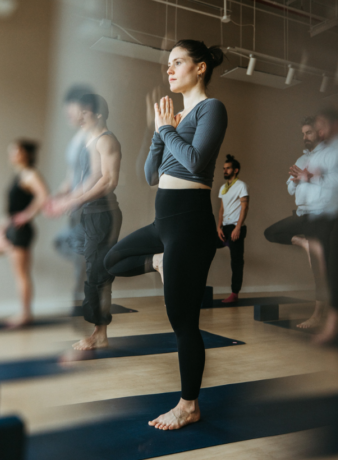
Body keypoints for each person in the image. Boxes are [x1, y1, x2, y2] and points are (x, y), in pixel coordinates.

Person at [104, 39, 227, 430]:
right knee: (112, 261)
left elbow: (195, 160)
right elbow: (149, 175)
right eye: (168, 64)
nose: (169, 69)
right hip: (164, 222)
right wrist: (160, 133)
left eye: (178, 62)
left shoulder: (212, 109)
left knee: (183, 322)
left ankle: (189, 405)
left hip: (191, 225)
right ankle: (157, 261)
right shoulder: (177, 117)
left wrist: (165, 130)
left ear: (201, 67)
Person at [45, 94, 122, 350]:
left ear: (98, 114)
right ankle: (97, 324)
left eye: (85, 114)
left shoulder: (107, 140)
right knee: (88, 264)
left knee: (97, 273)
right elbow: (80, 180)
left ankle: (100, 333)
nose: (79, 118)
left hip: (102, 214)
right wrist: (62, 198)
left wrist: (75, 201)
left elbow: (109, 181)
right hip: (87, 214)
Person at [264, 117, 327, 329]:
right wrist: (295, 179)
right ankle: (305, 244)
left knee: (318, 269)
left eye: (308, 133)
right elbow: (290, 188)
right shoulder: (301, 159)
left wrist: (307, 177)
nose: (305, 138)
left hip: (320, 215)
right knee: (271, 232)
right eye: (303, 134)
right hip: (301, 214)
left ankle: (318, 316)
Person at [0, 140, 48, 327]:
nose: (11, 155)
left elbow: (43, 195)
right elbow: (10, 210)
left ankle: (25, 314)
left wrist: (27, 215)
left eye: (15, 151)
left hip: (21, 231)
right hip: (12, 228)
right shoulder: (18, 175)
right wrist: (0, 228)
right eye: (10, 151)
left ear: (25, 154)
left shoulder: (30, 174)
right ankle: (24, 313)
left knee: (21, 274)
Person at [300, 108, 338, 343]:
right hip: (315, 217)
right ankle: (313, 246)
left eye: (322, 126)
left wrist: (313, 178)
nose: (319, 131)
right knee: (327, 269)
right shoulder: (320, 152)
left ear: (334, 125)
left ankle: (331, 325)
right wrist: (303, 179)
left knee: (332, 271)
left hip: (333, 216)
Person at [52, 85, 92, 316]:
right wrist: (57, 196)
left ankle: (82, 304)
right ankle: (79, 302)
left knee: (82, 258)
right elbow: (71, 177)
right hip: (75, 209)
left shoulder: (92, 138)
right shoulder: (75, 139)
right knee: (78, 256)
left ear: (86, 107)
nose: (67, 111)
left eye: (72, 105)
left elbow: (93, 179)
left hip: (88, 208)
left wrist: (70, 202)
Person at [216, 154, 249, 304]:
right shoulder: (223, 187)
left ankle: (234, 293)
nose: (225, 171)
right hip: (224, 228)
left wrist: (238, 228)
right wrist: (218, 226)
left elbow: (244, 207)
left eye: (228, 168)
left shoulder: (241, 185)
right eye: (224, 168)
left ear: (235, 170)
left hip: (236, 228)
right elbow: (221, 209)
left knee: (236, 261)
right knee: (204, 247)